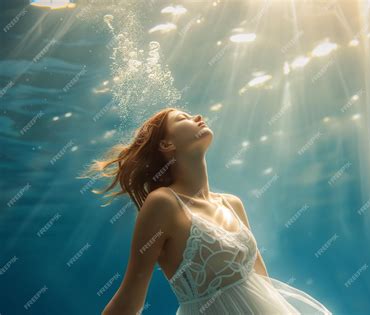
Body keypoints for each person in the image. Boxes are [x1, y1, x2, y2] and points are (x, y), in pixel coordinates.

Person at [83, 107, 332, 314]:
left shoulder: (232, 204)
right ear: (166, 144)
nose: (198, 117)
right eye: (184, 118)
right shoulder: (163, 203)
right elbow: (130, 298)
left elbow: (262, 281)